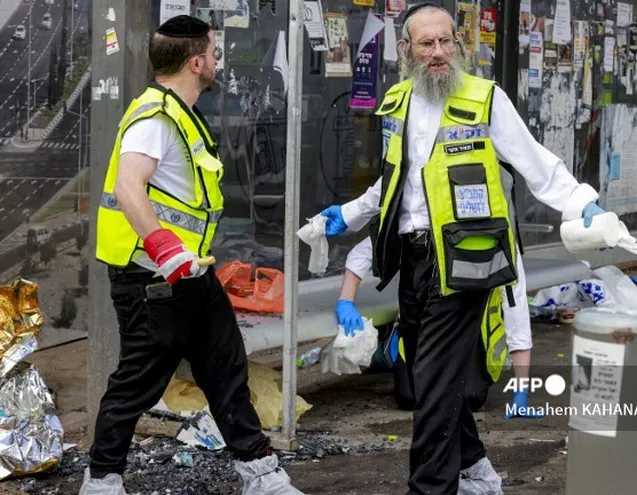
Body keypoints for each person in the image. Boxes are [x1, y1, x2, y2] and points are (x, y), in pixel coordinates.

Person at [317, 3, 610, 493]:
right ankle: (476, 470)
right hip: (410, 261)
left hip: (464, 261)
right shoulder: (396, 102)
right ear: (406, 50)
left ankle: (431, 488)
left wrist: (582, 204)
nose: (438, 53)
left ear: (458, 43)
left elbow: (538, 164)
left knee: (429, 387)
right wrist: (345, 215)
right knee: (436, 377)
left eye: (446, 41)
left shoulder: (485, 99)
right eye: (426, 44)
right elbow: (393, 185)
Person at [82, 15, 303, 495]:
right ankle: (101, 480)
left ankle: (260, 474)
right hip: (151, 277)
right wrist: (163, 248)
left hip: (189, 274)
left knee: (226, 370)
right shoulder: (155, 117)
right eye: (215, 53)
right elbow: (127, 186)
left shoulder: (179, 113)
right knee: (138, 382)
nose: (218, 61)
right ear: (196, 61)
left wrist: (181, 257)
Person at [337, 239, 544, 420]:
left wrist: (521, 390)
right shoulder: (426, 216)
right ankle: (389, 348)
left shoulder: (496, 229)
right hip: (425, 329)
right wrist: (346, 300)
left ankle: (391, 349)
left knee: (468, 397)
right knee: (411, 396)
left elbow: (516, 310)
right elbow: (366, 248)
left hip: (472, 337)